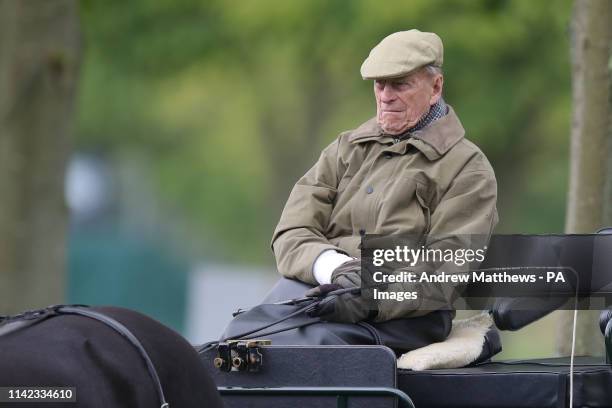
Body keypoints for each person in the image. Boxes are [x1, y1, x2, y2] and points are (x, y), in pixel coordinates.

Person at [271, 29, 498, 324]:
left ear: (435, 87)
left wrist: (367, 297)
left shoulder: (468, 169)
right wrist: (333, 268)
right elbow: (291, 231)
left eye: (400, 85)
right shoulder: (344, 149)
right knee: (240, 342)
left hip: (404, 320)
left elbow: (446, 270)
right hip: (317, 296)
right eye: (380, 85)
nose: (386, 97)